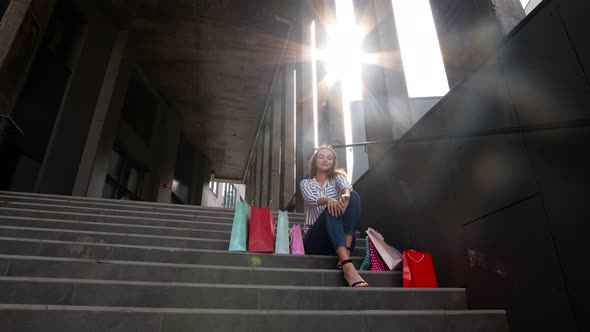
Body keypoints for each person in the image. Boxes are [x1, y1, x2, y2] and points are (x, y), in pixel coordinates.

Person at [299, 145, 368, 287]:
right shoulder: (306, 183)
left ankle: (345, 252)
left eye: (329, 158)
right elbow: (310, 199)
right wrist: (328, 200)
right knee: (331, 207)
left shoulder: (336, 179)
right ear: (315, 161)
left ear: (333, 162)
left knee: (353, 196)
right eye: (321, 156)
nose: (325, 160)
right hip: (315, 240)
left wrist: (346, 196)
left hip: (337, 240)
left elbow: (346, 187)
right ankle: (348, 266)